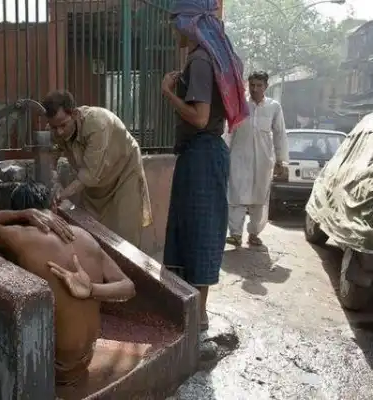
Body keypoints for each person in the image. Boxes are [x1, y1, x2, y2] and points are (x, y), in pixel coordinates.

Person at [0, 181, 136, 386]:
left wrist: (22, 214)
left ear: (25, 215)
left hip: (55, 366)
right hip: (87, 356)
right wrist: (92, 290)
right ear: (53, 205)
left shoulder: (20, 237)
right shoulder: (84, 236)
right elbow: (128, 287)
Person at [160, 0, 249, 331]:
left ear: (189, 23)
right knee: (195, 231)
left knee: (198, 233)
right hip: (205, 154)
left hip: (201, 154)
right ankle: (195, 314)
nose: (173, 31)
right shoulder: (210, 57)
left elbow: (199, 117)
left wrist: (168, 93)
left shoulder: (199, 60)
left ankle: (197, 318)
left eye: (176, 23)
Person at [42, 90, 152, 248]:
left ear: (74, 114)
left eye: (63, 125)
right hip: (94, 184)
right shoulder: (55, 129)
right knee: (91, 229)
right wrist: (53, 183)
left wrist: (61, 195)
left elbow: (89, 174)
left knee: (126, 233)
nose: (59, 131)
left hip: (124, 174)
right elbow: (50, 160)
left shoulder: (97, 124)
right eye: (54, 127)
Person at [226, 71, 289, 247]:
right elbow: (229, 132)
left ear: (266, 86)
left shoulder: (274, 107)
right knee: (236, 195)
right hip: (239, 157)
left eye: (259, 85)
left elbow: (280, 134)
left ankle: (254, 234)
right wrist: (225, 154)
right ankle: (235, 234)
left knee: (259, 198)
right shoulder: (240, 105)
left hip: (263, 161)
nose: (255, 89)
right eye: (252, 85)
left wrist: (281, 160)